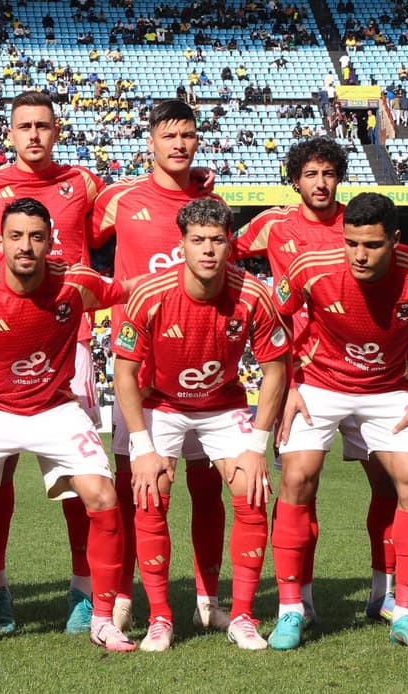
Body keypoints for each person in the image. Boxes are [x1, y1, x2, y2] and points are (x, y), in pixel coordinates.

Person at [0, 197, 138, 655]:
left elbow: (132, 290)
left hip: (54, 408)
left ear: (49, 242)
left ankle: (102, 619)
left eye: (36, 237)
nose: (26, 246)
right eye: (16, 237)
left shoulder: (76, 282)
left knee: (102, 494)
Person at [269, 192, 408, 652]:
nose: (359, 255)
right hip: (318, 384)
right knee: (297, 477)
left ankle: (402, 612)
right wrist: (291, 385)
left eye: (372, 245)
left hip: (386, 391)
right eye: (351, 242)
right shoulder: (310, 267)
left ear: (394, 240)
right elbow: (274, 321)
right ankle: (292, 609)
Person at [233, 137, 400, 626]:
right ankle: (299, 601)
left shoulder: (358, 225)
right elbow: (222, 250)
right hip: (302, 378)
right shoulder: (272, 224)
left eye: (328, 173)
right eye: (310, 174)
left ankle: (383, 593)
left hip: (366, 377)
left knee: (389, 485)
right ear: (295, 180)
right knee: (298, 484)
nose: (320, 183)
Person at [0, 90, 108, 635]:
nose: (34, 135)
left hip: (70, 344)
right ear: (10, 132)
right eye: (24, 126)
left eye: (43, 126)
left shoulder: (84, 182)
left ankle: (84, 590)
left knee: (80, 475)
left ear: (57, 130)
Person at [113, 198, 289, 652]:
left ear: (230, 244)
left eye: (216, 240)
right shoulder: (151, 294)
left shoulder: (254, 294)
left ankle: (242, 616)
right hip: (163, 403)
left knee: (252, 491)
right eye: (198, 241)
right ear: (183, 245)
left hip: (223, 405)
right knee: (149, 495)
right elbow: (125, 373)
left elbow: (276, 369)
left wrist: (257, 444)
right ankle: (159, 618)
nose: (208, 249)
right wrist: (142, 446)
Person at [91, 99, 228, 634]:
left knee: (207, 486)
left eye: (187, 135)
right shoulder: (120, 200)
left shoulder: (209, 202)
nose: (178, 144)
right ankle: (125, 596)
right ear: (149, 141)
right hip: (138, 367)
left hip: (201, 369)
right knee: (136, 486)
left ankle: (208, 598)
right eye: (168, 136)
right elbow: (72, 233)